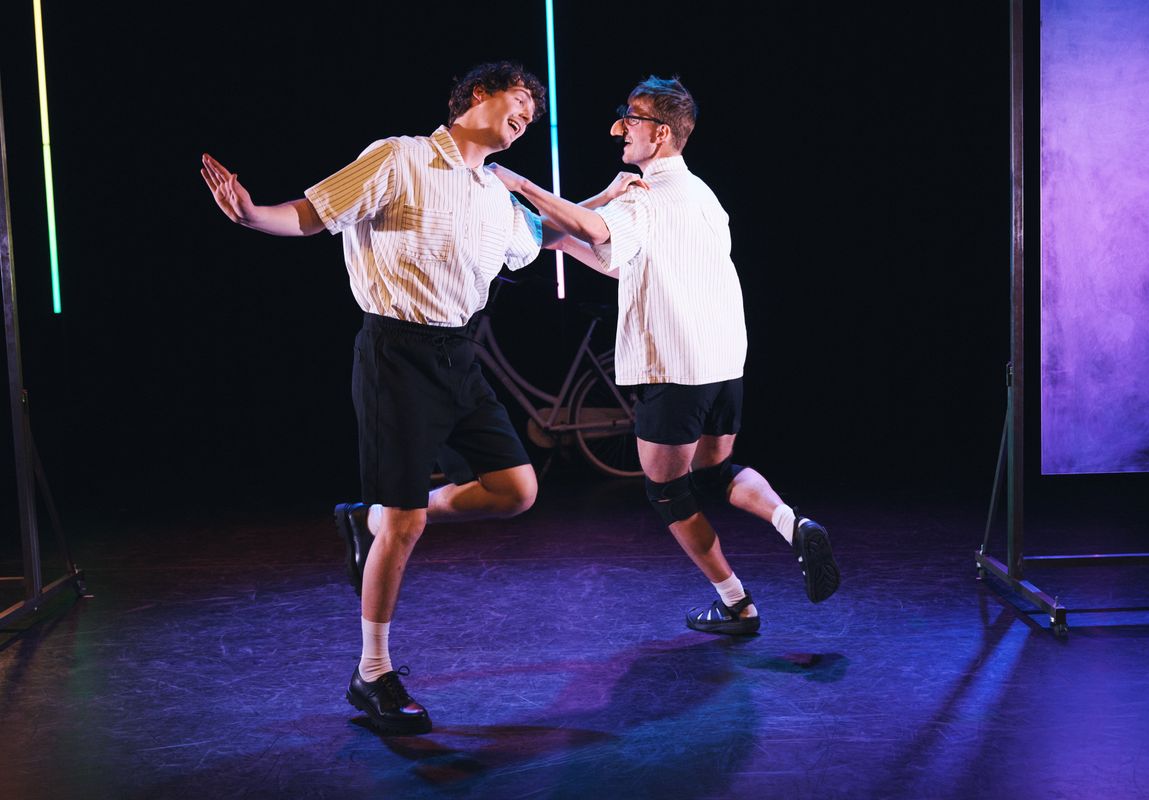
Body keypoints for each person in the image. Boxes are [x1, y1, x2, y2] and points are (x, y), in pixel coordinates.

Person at [200, 62, 548, 734]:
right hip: (396, 354)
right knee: (407, 522)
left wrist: (606, 215)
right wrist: (251, 215)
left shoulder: (495, 193)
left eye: (533, 111)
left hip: (459, 356)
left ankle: (371, 520)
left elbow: (540, 240)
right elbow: (313, 214)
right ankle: (373, 672)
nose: (527, 114)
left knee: (516, 491)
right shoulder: (399, 157)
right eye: (519, 99)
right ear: (478, 95)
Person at [487, 75, 839, 636]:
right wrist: (562, 240)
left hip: (674, 370)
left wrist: (519, 183)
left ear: (661, 134)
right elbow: (626, 261)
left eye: (631, 117)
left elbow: (598, 227)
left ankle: (736, 603)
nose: (618, 128)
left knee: (668, 491)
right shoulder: (704, 196)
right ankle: (793, 524)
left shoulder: (645, 196)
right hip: (724, 365)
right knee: (714, 472)